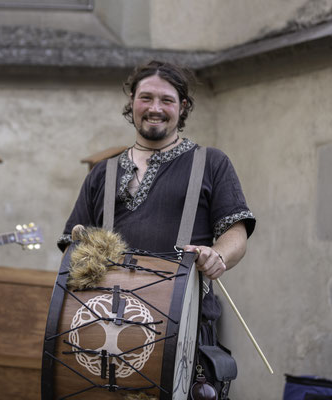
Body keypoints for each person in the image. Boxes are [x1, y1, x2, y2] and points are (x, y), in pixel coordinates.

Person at [58, 60, 256, 376]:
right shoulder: (101, 173)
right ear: (132, 103)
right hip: (108, 330)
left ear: (183, 106)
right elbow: (71, 249)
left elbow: (236, 233)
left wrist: (217, 255)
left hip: (187, 324)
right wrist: (82, 246)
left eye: (166, 100)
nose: (155, 108)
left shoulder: (212, 163)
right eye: (146, 97)